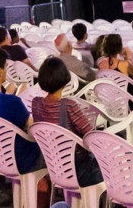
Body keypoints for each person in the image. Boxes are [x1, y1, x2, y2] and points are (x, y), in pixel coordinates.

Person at [28, 58, 103, 187]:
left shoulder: (37, 104)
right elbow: (91, 135)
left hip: (53, 166)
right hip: (79, 169)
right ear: (64, 79)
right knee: (129, 160)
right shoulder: (69, 106)